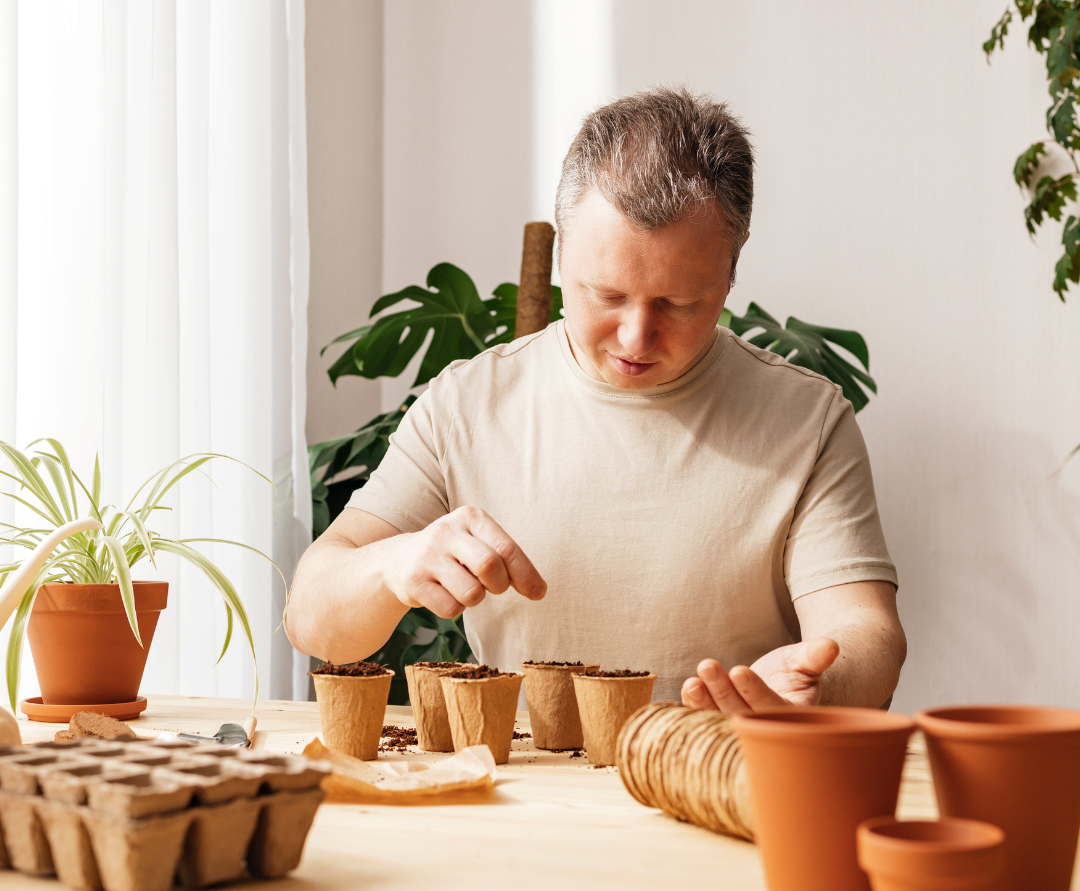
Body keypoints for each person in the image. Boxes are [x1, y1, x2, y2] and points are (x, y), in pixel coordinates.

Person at [287, 88, 906, 711]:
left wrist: (818, 683)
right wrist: (393, 565)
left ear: (732, 269)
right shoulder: (466, 406)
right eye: (605, 294)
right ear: (561, 255)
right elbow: (312, 617)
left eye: (678, 304)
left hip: (723, 778)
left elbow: (866, 633)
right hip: (522, 791)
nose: (636, 336)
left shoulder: (807, 422)